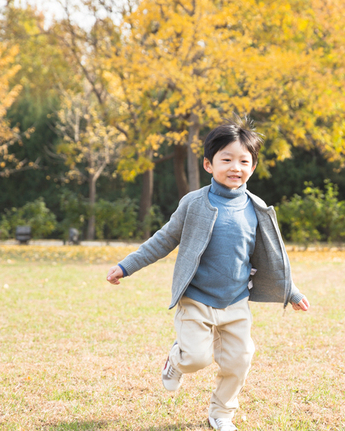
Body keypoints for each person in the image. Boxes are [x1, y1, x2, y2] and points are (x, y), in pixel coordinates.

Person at [105, 119, 310, 431]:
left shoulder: (257, 210)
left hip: (236, 302)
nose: (235, 167)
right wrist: (126, 266)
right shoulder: (194, 203)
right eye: (226, 159)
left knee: (239, 360)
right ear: (208, 164)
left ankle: (222, 413)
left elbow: (271, 259)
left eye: (244, 161)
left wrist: (291, 292)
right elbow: (163, 239)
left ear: (253, 167)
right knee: (196, 359)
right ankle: (176, 359)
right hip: (197, 300)